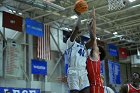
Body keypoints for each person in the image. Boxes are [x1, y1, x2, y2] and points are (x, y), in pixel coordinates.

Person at [66, 8, 95, 93]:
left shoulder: (84, 46)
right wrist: (79, 16)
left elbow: (93, 39)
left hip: (83, 72)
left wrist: (89, 28)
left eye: (79, 34)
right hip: (73, 72)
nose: (78, 35)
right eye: (76, 34)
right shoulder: (70, 43)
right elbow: (77, 28)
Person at [86, 8, 106, 93]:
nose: (95, 47)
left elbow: (94, 38)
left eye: (97, 48)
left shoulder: (95, 56)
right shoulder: (90, 57)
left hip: (95, 85)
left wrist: (93, 20)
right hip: (93, 85)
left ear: (99, 53)